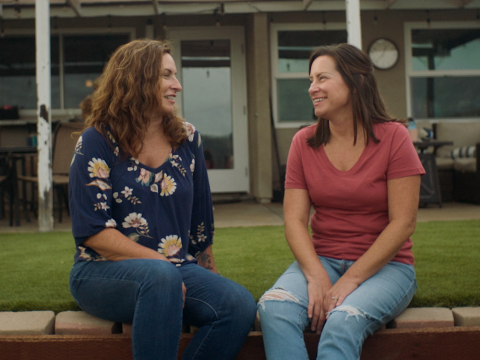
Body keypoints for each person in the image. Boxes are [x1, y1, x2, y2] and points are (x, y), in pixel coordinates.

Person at [68, 39, 256, 360]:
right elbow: (94, 232)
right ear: (137, 80)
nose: (177, 85)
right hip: (103, 272)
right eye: (166, 75)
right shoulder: (97, 141)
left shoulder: (187, 137)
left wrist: (209, 275)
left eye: (176, 75)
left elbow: (200, 221)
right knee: (162, 277)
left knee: (237, 305)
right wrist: (160, 264)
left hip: (173, 269)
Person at [257, 43, 425, 360]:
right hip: (324, 260)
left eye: (322, 78)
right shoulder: (303, 142)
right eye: (311, 80)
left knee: (341, 320)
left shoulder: (394, 137)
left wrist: (349, 282)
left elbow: (403, 222)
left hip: (388, 268)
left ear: (356, 82)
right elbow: (294, 221)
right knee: (274, 307)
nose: (312, 88)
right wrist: (318, 276)